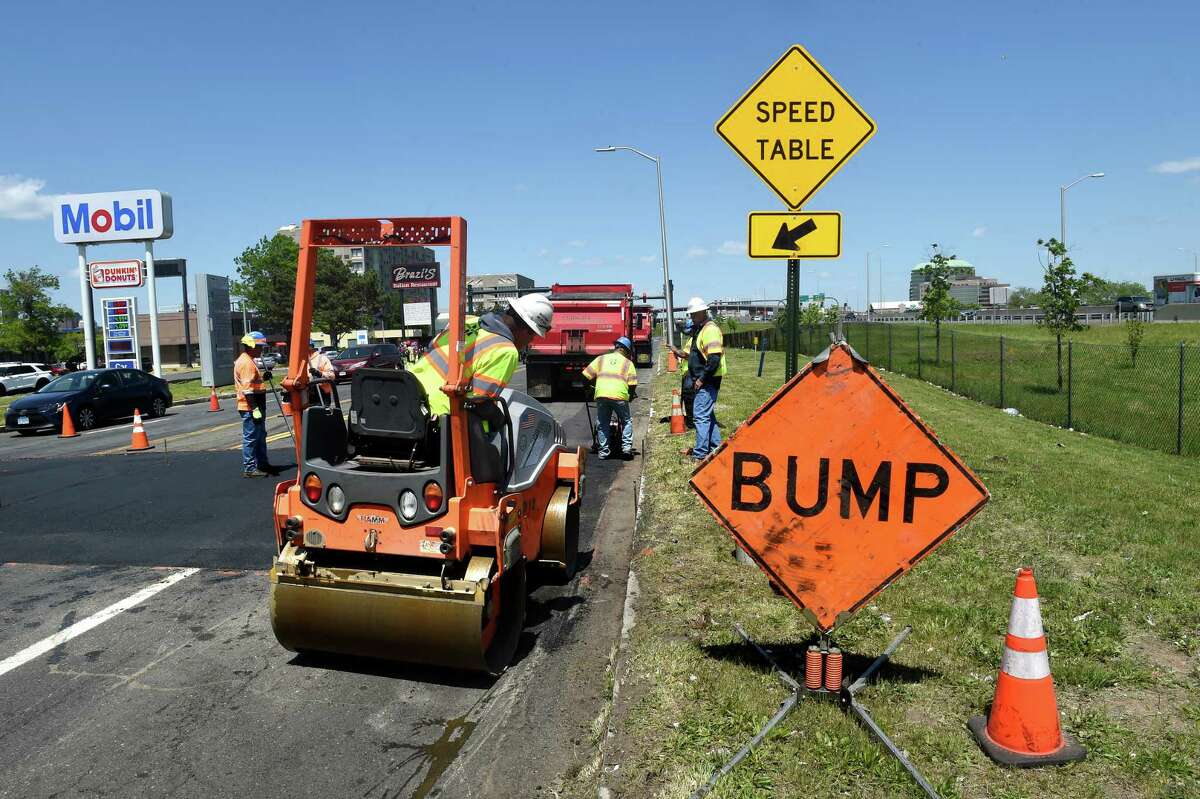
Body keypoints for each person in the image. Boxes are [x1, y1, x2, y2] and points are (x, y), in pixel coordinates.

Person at [410, 293, 554, 417]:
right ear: (527, 330)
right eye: (533, 336)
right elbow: (479, 404)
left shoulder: (466, 321)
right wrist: (499, 418)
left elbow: (430, 349)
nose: (530, 341)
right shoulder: (505, 351)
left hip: (406, 401)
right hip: (441, 419)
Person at [683, 297, 726, 461]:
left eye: (694, 314)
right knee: (708, 416)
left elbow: (714, 358)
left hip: (708, 381)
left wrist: (701, 378)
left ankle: (700, 454)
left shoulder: (710, 330)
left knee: (700, 416)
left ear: (703, 312)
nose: (692, 317)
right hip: (704, 379)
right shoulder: (702, 329)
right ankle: (716, 448)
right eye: (691, 314)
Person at [582, 336, 638, 460]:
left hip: (602, 395)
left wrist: (589, 389)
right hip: (620, 396)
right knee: (626, 421)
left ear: (616, 347)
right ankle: (626, 448)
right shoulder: (628, 363)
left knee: (602, 423)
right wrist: (630, 395)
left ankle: (604, 451)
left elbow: (585, 376)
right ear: (625, 350)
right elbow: (633, 384)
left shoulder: (601, 359)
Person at [234, 331, 279, 478]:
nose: (261, 349)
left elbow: (253, 384)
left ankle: (262, 463)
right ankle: (250, 468)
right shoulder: (246, 363)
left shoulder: (249, 360)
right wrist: (254, 409)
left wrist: (263, 378)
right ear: (252, 346)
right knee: (251, 437)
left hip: (257, 405)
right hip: (250, 407)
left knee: (260, 436)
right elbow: (247, 390)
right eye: (259, 346)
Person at [668, 320, 696, 429]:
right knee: (687, 397)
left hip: (690, 372)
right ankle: (690, 420)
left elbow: (686, 355)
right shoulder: (691, 339)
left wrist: (675, 350)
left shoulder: (693, 340)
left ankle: (690, 421)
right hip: (687, 371)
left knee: (689, 397)